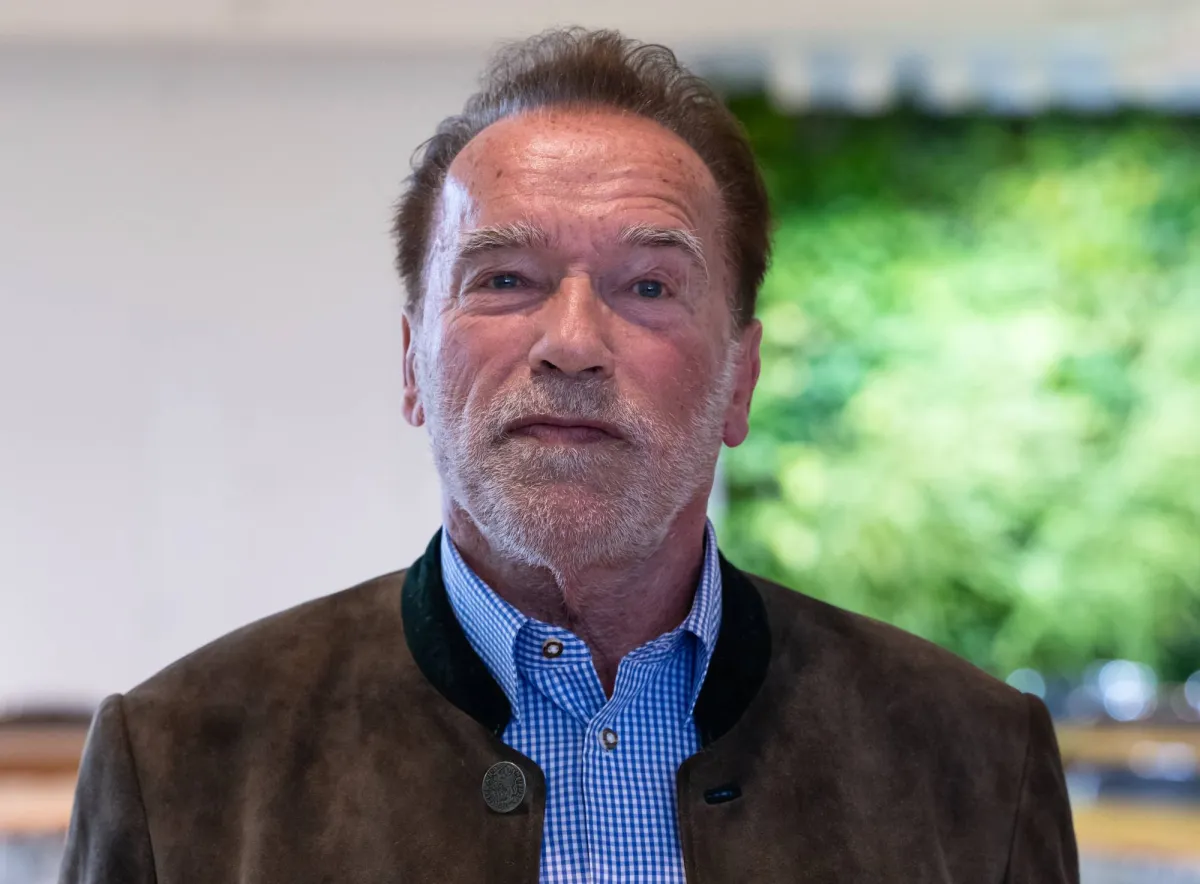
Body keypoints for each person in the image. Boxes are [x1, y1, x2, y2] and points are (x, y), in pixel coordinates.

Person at [59, 27, 1078, 884]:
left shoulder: (977, 763)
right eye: (504, 278)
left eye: (649, 286)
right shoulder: (179, 764)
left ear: (740, 378)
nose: (574, 342)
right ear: (412, 365)